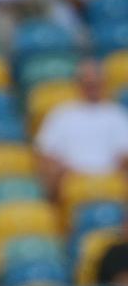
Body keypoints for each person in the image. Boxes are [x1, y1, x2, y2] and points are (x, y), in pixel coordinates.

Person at [35, 60, 128, 197]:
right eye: (88, 84)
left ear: (104, 83)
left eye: (95, 83)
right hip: (71, 181)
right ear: (78, 84)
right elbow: (46, 152)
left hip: (112, 180)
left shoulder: (117, 114)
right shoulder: (62, 114)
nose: (92, 88)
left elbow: (124, 154)